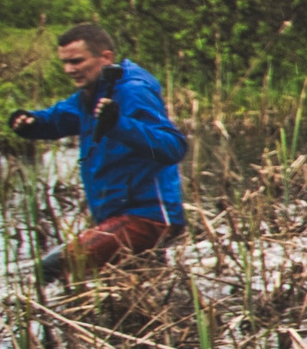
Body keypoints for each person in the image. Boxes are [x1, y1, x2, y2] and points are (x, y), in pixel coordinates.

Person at [10, 22, 188, 283]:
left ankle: (36, 309)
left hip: (147, 217)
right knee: (142, 287)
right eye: (65, 62)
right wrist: (30, 123)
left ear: (105, 57)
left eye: (76, 61)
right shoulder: (93, 92)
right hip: (117, 216)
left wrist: (118, 125)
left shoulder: (132, 90)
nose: (69, 70)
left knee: (53, 268)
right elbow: (59, 118)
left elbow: (172, 147)